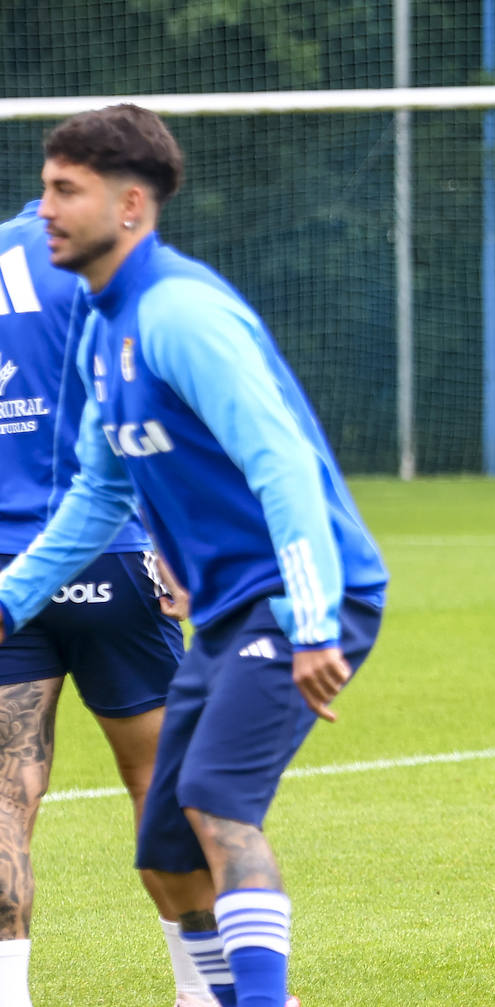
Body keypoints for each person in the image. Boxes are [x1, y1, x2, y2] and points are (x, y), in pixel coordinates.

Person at [0, 104, 388, 1007]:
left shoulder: (181, 312)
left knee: (213, 799)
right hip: (227, 607)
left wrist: (311, 618)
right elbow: (98, 496)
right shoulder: (103, 327)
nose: (45, 209)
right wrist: (9, 600)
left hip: (300, 594)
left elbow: (283, 461)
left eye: (67, 191)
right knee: (165, 844)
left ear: (130, 204)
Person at [0, 198, 218, 1007]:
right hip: (112, 554)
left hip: (4, 569)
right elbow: (154, 407)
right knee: (163, 780)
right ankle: (204, 990)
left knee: (3, 792)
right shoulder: (101, 264)